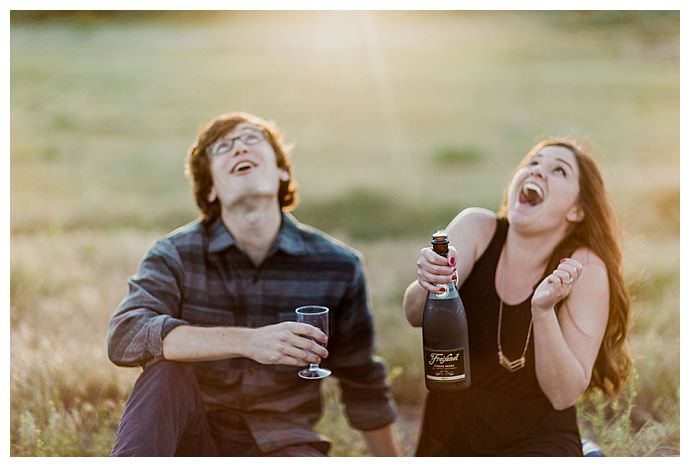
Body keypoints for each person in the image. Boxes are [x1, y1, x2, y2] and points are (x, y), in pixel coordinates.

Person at [107, 112, 400, 457]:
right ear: (211, 188)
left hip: (285, 444)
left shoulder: (338, 265)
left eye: (252, 138)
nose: (239, 148)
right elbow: (126, 334)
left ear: (282, 171)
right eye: (223, 147)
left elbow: (362, 382)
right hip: (191, 441)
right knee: (165, 373)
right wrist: (249, 341)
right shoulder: (175, 254)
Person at [403, 139, 631, 456]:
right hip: (450, 430)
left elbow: (563, 395)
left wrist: (543, 311)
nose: (537, 172)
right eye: (533, 163)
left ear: (577, 210)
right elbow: (414, 314)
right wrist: (430, 281)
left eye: (558, 170)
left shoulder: (585, 267)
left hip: (538, 439)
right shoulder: (476, 228)